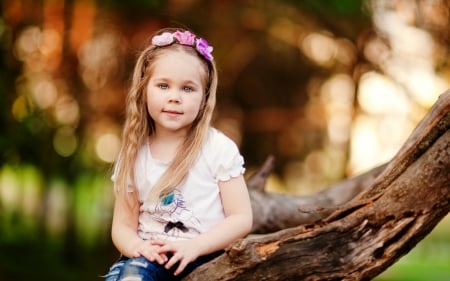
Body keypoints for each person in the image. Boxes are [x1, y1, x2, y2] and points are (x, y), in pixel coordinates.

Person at [103, 27, 253, 281]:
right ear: (144, 90)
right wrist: (137, 247)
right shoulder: (134, 154)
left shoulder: (217, 149)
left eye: (187, 89)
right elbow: (122, 226)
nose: (174, 98)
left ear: (204, 98)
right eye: (163, 86)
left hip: (205, 254)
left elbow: (241, 218)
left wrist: (194, 247)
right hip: (150, 258)